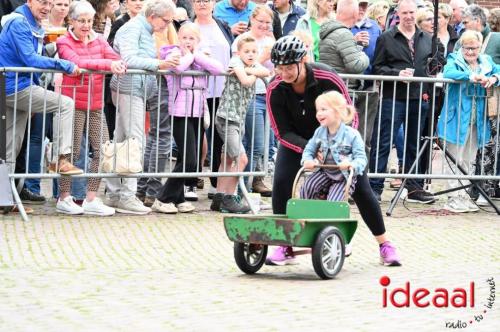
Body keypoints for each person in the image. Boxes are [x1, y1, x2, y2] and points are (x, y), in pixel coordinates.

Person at [266, 35, 401, 266]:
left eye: (289, 67)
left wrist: (344, 145)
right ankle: (285, 245)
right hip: (299, 141)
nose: (284, 73)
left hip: (339, 138)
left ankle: (385, 244)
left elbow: (349, 113)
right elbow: (281, 132)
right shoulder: (275, 88)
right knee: (281, 182)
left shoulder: (326, 77)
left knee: (360, 187)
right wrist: (309, 150)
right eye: (279, 68)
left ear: (303, 60)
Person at [105, 0, 179, 214]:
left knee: (121, 141)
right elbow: (128, 58)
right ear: (153, 15)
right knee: (136, 141)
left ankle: (114, 193)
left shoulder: (143, 28)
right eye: (165, 20)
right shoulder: (133, 28)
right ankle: (126, 195)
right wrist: (159, 64)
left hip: (134, 89)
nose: (167, 25)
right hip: (129, 88)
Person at [54, 0, 126, 215]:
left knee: (103, 151)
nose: (86, 25)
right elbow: (77, 62)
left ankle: (91, 198)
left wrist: (116, 63)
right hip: (73, 104)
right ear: (72, 21)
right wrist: (106, 64)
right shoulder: (63, 41)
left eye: (89, 21)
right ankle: (64, 197)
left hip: (95, 104)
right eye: (81, 21)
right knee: (71, 153)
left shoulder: (100, 40)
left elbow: (115, 58)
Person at [369, 0, 442, 204]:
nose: (409, 16)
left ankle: (413, 187)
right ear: (398, 14)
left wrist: (430, 78)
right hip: (394, 97)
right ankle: (375, 187)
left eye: (412, 12)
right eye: (405, 13)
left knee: (414, 143)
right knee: (384, 141)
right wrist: (396, 73)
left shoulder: (427, 38)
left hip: (419, 98)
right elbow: (377, 68)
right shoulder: (387, 37)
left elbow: (434, 65)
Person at [1, 0, 82, 178]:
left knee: (10, 148)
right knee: (66, 104)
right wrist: (65, 65)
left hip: (14, 85)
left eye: (50, 3)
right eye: (43, 2)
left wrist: (52, 48)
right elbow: (31, 59)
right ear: (29, 1)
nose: (47, 7)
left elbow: (31, 56)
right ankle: (60, 159)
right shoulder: (19, 23)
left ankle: (4, 201)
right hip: (14, 86)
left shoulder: (30, 22)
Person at [153, 23, 224, 214]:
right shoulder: (173, 53)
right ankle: (162, 198)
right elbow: (179, 69)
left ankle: (178, 198)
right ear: (178, 38)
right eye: (184, 37)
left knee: (189, 159)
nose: (187, 41)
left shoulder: (201, 55)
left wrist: (197, 55)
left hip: (198, 112)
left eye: (192, 38)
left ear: (198, 40)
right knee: (189, 160)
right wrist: (190, 55)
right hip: (180, 112)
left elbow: (218, 69)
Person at [437, 30, 499, 213]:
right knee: (455, 157)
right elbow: (448, 72)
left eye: (474, 48)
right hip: (457, 116)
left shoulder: (487, 61)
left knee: (470, 158)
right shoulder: (454, 59)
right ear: (461, 47)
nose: (471, 52)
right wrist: (470, 77)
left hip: (477, 118)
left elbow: (499, 70)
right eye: (467, 48)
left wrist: (494, 78)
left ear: (480, 47)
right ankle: (453, 196)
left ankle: (464, 194)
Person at [211, 34, 270, 213]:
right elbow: (245, 81)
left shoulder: (251, 65)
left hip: (238, 118)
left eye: (254, 51)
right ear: (239, 52)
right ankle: (230, 197)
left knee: (227, 158)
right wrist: (253, 72)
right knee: (241, 159)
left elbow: (266, 72)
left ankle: (219, 197)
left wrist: (253, 70)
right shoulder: (235, 62)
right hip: (227, 117)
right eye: (247, 51)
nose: (251, 55)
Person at [231, 5, 274, 197]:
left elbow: (271, 69)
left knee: (265, 144)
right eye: (261, 21)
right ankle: (244, 189)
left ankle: (253, 182)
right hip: (250, 95)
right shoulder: (243, 40)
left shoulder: (271, 39)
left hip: (268, 95)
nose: (264, 25)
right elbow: (242, 66)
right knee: (254, 144)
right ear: (252, 20)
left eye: (267, 22)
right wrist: (262, 58)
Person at [193, 0, 234, 200]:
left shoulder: (222, 25)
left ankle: (216, 183)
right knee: (193, 136)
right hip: (194, 90)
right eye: (198, 0)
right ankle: (189, 182)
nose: (202, 4)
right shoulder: (187, 27)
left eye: (206, 0)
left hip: (221, 90)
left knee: (219, 137)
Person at [300, 91, 367, 201]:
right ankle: (308, 215)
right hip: (325, 173)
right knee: (307, 187)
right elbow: (309, 149)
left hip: (343, 176)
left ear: (337, 111)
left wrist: (351, 164)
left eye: (323, 110)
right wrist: (307, 160)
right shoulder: (319, 132)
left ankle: (330, 215)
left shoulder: (352, 134)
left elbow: (361, 158)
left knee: (334, 201)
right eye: (317, 110)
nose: (319, 114)